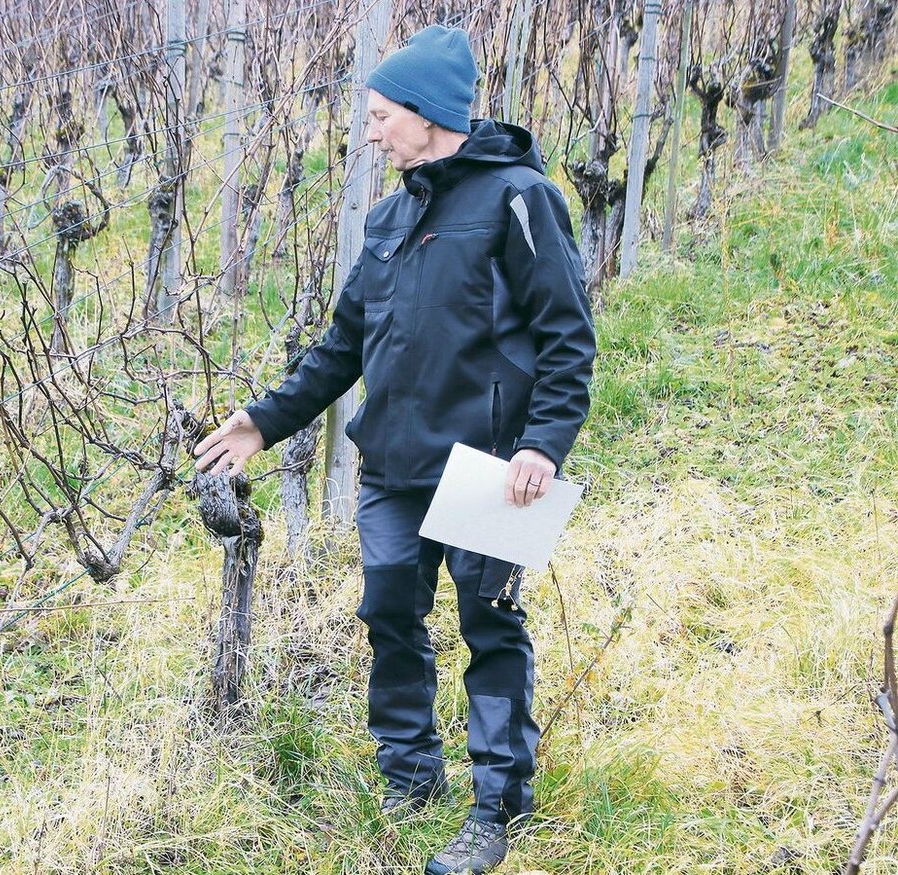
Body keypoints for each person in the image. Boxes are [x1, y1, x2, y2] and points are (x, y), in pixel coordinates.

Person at [192, 23, 595, 875]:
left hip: (493, 470)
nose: (370, 131)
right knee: (387, 615)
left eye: (381, 115)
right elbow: (343, 347)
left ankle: (497, 806)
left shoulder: (520, 198)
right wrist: (263, 422)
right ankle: (411, 779)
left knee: (490, 626)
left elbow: (568, 336)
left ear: (427, 114)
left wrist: (544, 446)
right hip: (394, 468)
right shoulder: (388, 216)